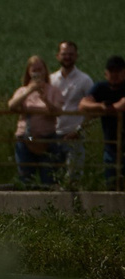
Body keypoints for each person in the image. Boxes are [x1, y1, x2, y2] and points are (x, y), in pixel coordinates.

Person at [8, 56, 63, 187]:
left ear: (45, 71)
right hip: (27, 138)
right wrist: (29, 91)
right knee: (26, 177)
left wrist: (45, 99)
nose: (37, 73)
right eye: (34, 70)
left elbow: (58, 112)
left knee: (49, 177)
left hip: (46, 138)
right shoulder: (22, 90)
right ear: (29, 72)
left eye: (40, 69)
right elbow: (11, 106)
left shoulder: (53, 91)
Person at [50, 42, 95, 182]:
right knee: (53, 177)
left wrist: (79, 131)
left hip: (74, 136)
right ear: (58, 56)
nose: (67, 57)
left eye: (71, 54)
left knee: (72, 178)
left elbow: (91, 110)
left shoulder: (85, 80)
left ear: (76, 56)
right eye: (64, 54)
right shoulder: (51, 79)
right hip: (52, 135)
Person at [89, 55, 125, 185]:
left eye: (118, 71)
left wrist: (110, 108)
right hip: (111, 146)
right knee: (111, 183)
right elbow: (83, 105)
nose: (114, 75)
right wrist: (101, 106)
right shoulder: (101, 88)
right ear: (106, 73)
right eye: (111, 71)